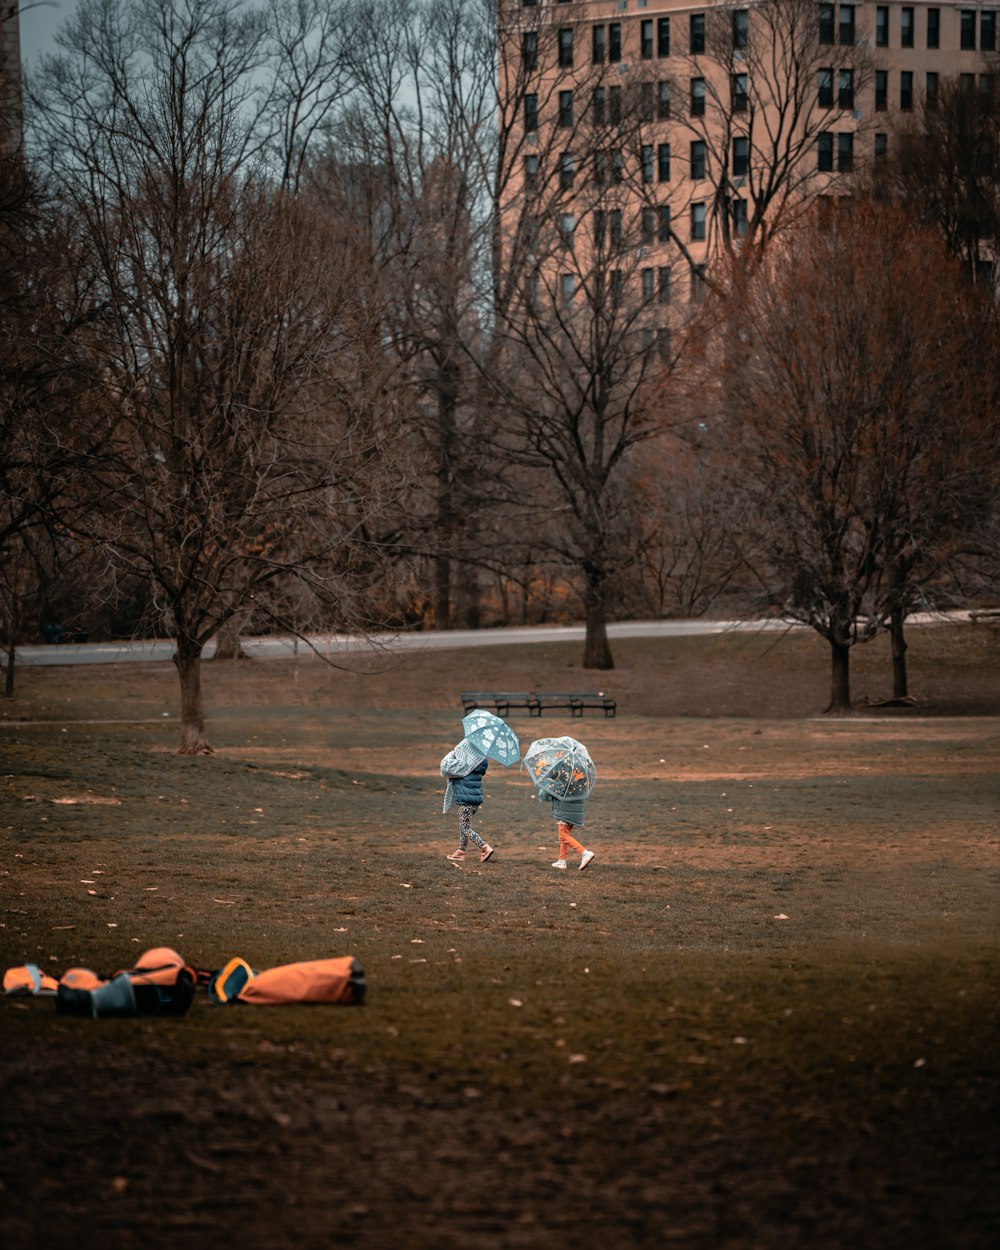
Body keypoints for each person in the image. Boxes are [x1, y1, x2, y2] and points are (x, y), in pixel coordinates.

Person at [440, 738, 494, 863]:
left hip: (466, 800)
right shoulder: (479, 762)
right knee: (465, 826)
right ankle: (461, 852)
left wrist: (453, 752)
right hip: (475, 800)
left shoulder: (464, 765)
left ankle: (484, 847)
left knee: (465, 828)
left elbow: (444, 765)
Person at [542, 791, 595, 871]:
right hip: (575, 811)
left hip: (564, 810)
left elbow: (544, 795)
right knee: (563, 835)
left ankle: (585, 853)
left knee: (563, 835)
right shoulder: (578, 779)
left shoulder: (561, 780)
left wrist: (544, 789)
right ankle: (561, 861)